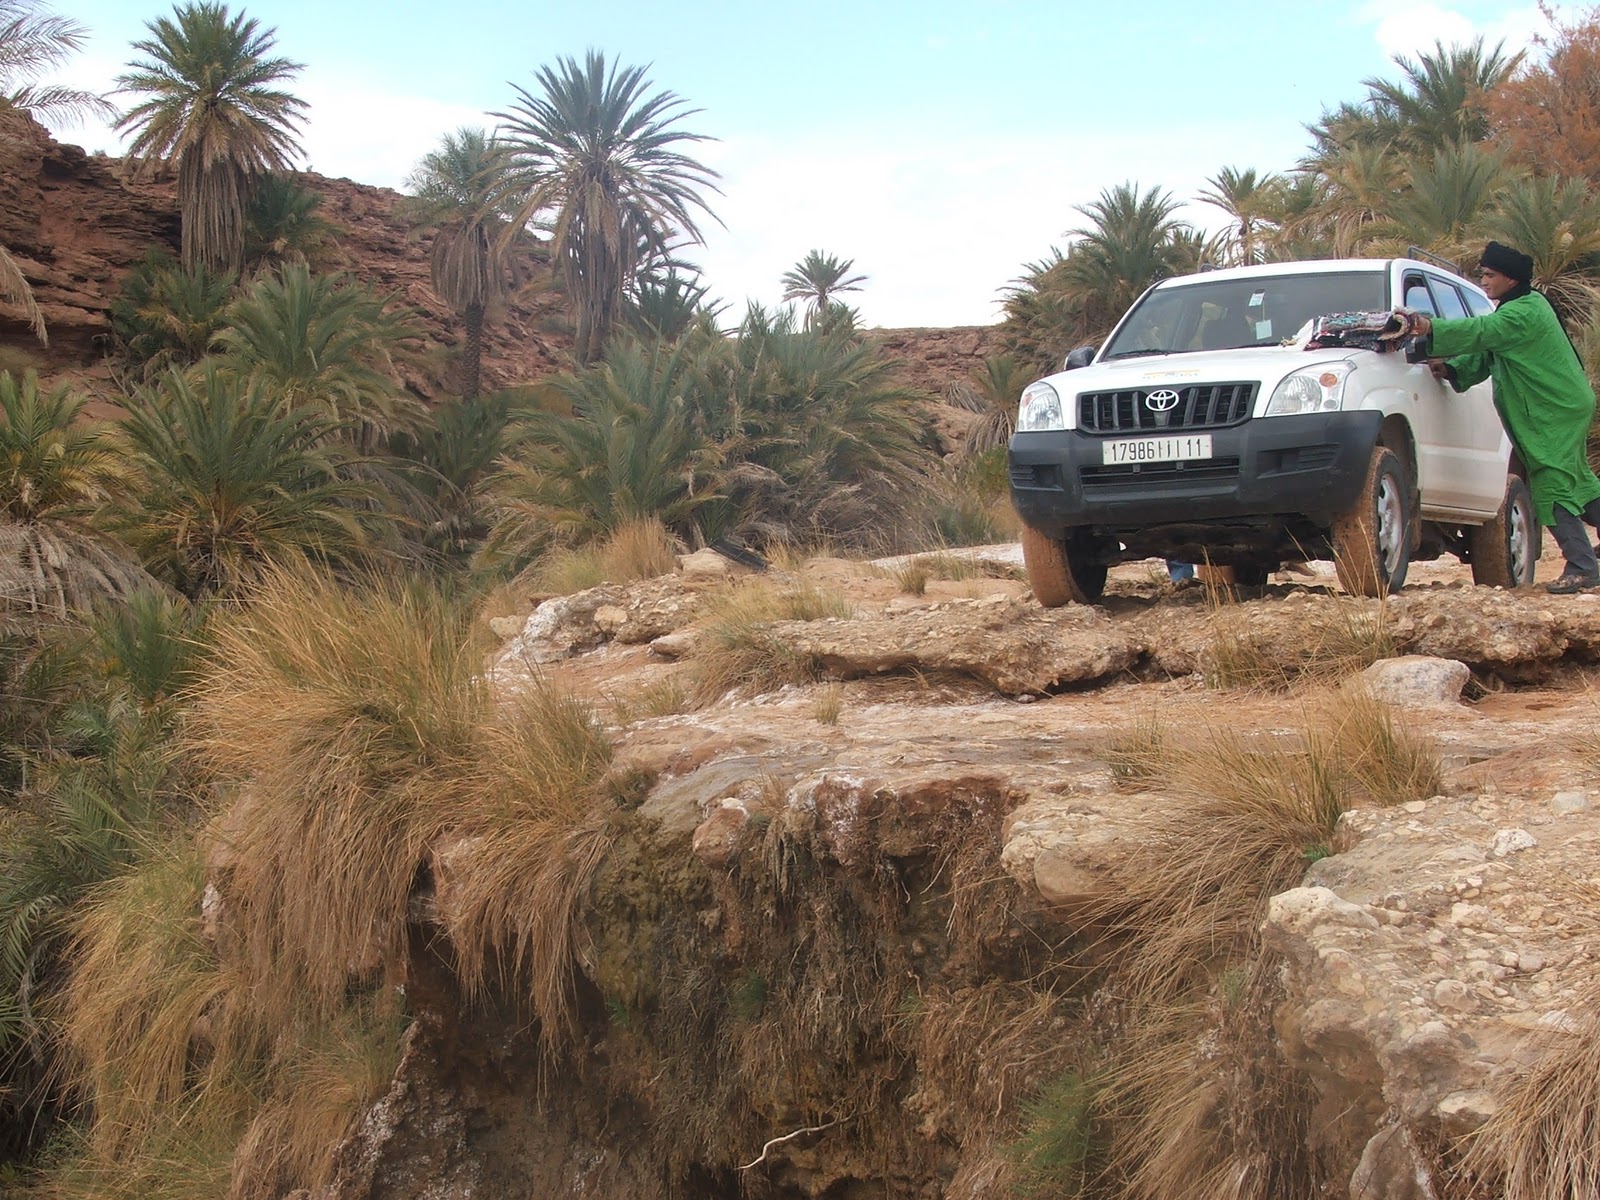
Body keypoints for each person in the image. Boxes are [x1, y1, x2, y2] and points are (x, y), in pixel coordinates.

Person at [1405, 241, 1600, 594]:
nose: (1484, 280)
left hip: (1553, 409)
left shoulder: (1522, 313)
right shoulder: (1520, 308)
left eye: (1490, 275)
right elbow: (1489, 351)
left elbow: (1481, 333)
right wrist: (1453, 369)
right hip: (1561, 406)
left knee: (1550, 481)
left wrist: (1430, 328)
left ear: (1511, 279)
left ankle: (1582, 566)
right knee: (1578, 481)